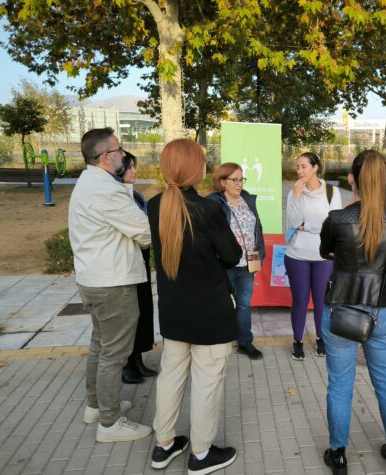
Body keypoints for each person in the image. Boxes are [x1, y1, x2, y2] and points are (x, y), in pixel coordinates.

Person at [148, 139, 242, 473]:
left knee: (171, 375)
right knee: (206, 381)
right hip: (210, 312)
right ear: (193, 167)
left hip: (174, 310)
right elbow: (232, 256)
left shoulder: (155, 205)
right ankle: (200, 454)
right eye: (202, 160)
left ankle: (164, 445)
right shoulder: (209, 208)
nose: (206, 164)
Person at [319, 150, 386, 475]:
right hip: (382, 311)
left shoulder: (338, 219)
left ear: (353, 179)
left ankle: (338, 453)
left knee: (340, 385)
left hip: (342, 310)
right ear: (383, 180)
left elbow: (325, 251)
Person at [68, 127, 152, 442]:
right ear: (105, 156)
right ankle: (110, 422)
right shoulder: (107, 189)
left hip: (94, 279)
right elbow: (144, 233)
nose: (121, 154)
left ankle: (97, 405)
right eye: (118, 150)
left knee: (100, 345)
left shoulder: (88, 181)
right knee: (114, 352)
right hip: (113, 283)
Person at [285, 152, 342, 360]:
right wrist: (298, 196)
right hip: (296, 254)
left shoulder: (332, 192)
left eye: (304, 166)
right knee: (300, 300)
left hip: (324, 255)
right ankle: (297, 341)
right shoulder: (294, 193)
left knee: (321, 301)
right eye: (297, 167)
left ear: (315, 167)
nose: (300, 171)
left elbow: (334, 224)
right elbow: (293, 222)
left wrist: (307, 226)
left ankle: (321, 338)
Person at [207, 163, 266, 360]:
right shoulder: (214, 202)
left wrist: (260, 253)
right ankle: (216, 340)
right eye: (235, 180)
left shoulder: (247, 198)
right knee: (220, 303)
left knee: (243, 304)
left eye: (242, 179)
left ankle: (244, 342)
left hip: (247, 264)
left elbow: (258, 228)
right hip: (225, 264)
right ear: (222, 182)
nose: (240, 184)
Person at [118, 152, 158, 384]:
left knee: (142, 311)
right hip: (126, 263)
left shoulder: (137, 196)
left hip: (140, 262)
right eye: (130, 167)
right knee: (129, 316)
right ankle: (126, 364)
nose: (134, 171)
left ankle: (138, 359)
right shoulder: (116, 197)